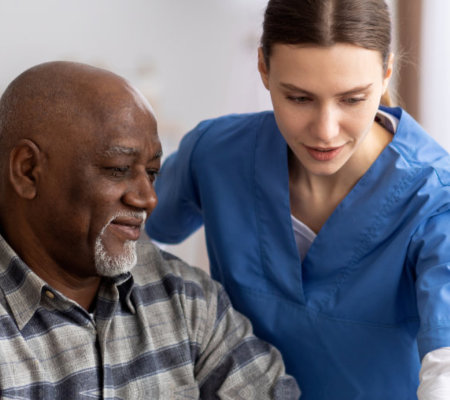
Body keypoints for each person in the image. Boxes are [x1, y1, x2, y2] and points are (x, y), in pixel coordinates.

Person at [145, 0, 450, 398]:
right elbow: (131, 240)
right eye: (299, 98)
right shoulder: (215, 155)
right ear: (264, 69)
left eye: (352, 99)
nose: (325, 131)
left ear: (387, 72)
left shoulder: (434, 198)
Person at [0, 61, 300, 399]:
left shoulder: (187, 300)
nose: (148, 198)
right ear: (28, 171)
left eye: (152, 173)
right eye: (118, 169)